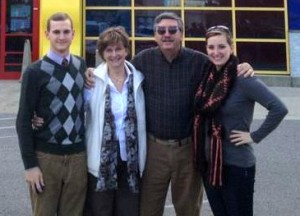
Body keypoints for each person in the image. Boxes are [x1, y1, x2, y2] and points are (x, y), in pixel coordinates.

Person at [86, 12, 254, 216]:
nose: (167, 34)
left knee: (188, 209)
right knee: (148, 209)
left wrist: (241, 65)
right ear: (154, 35)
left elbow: (223, 65)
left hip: (188, 149)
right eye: (161, 30)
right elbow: (115, 66)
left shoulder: (200, 62)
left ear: (181, 33)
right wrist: (92, 72)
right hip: (154, 150)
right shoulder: (143, 61)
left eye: (172, 30)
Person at [193, 25, 288, 216]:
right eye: (211, 47)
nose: (216, 52)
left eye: (221, 47)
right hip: (210, 164)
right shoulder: (206, 77)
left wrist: (255, 135)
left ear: (231, 48)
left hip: (236, 165)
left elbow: (279, 108)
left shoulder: (243, 78)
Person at [16, 12, 87, 216]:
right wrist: (30, 166)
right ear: (47, 34)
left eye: (66, 31)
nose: (61, 37)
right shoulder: (34, 72)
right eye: (56, 32)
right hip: (46, 158)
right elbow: (22, 122)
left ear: (73, 34)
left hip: (77, 157)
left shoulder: (81, 66)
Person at [83, 26, 146, 216]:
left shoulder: (140, 79)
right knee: (101, 211)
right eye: (108, 50)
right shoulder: (92, 81)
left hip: (131, 161)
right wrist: (37, 118)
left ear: (127, 50)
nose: (114, 54)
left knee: (128, 211)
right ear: (102, 53)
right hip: (101, 160)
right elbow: (75, 111)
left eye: (118, 49)